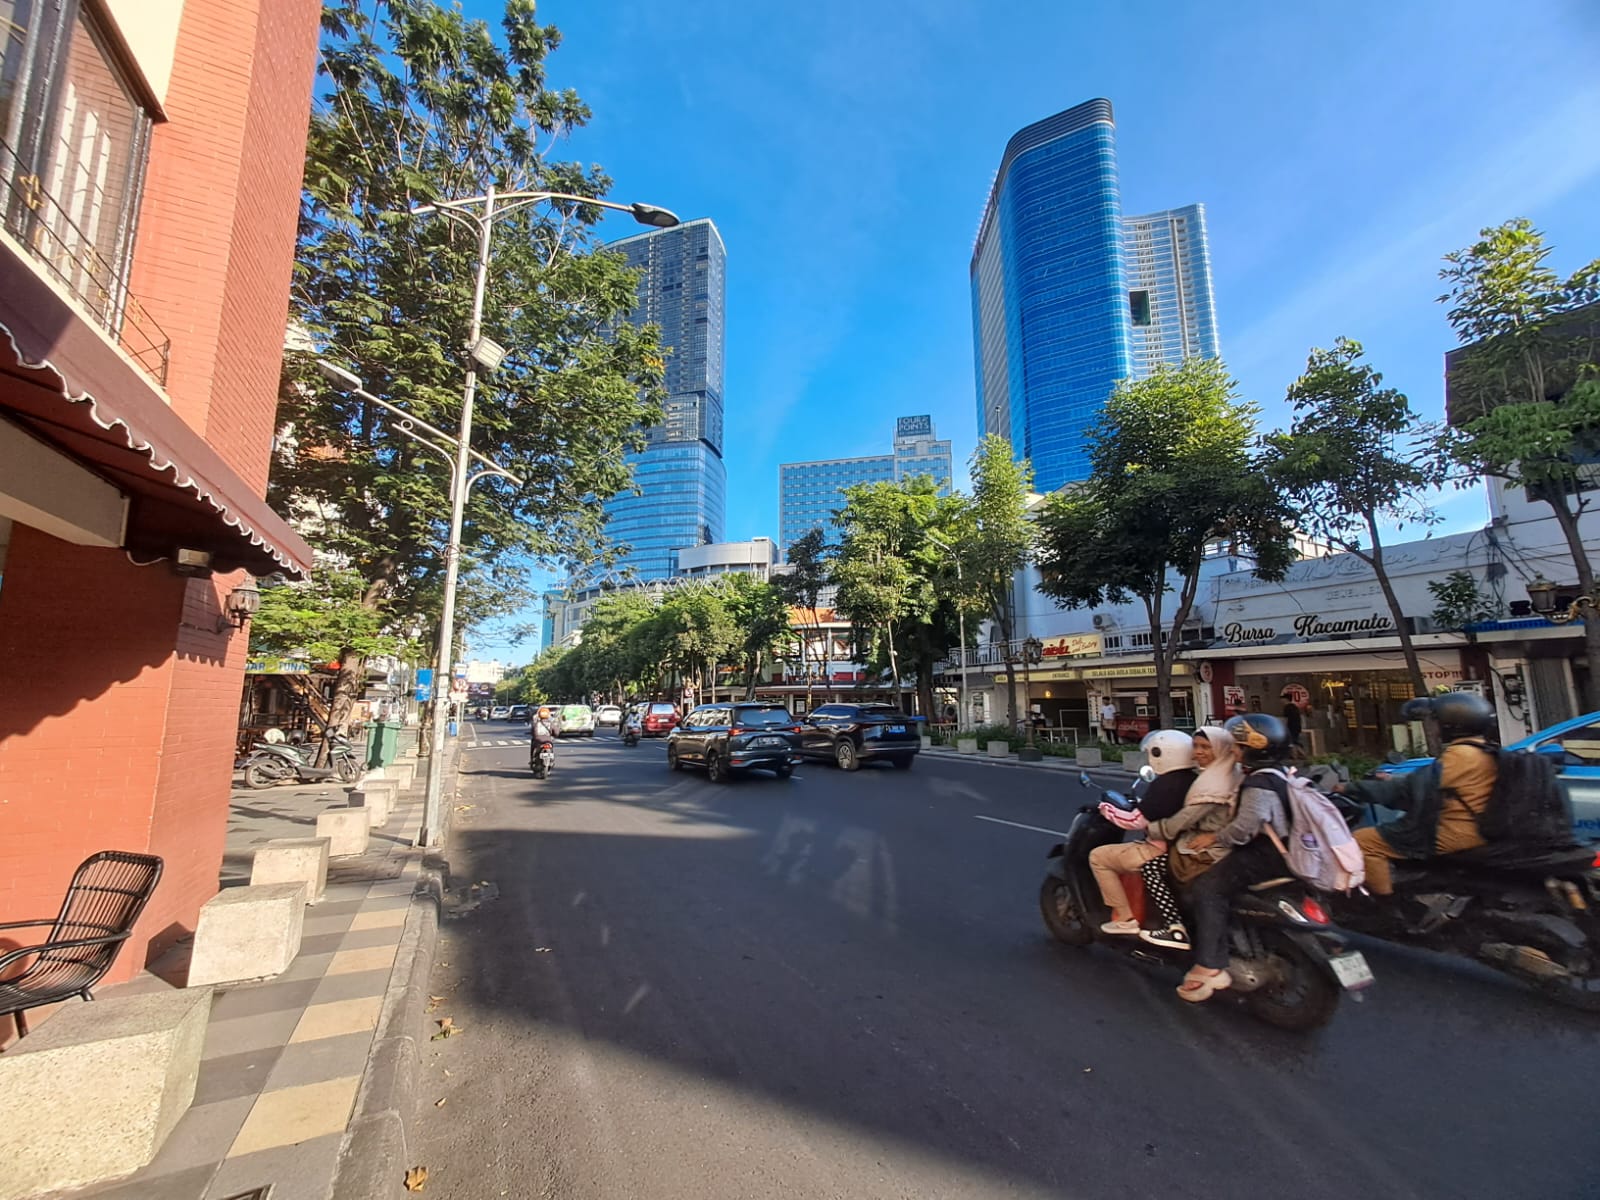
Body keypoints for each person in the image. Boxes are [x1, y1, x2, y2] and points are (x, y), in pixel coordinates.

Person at [1174, 713, 1295, 1003]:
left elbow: (1243, 829)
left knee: (1207, 889)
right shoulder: (1281, 774)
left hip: (1264, 856)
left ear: (1256, 749)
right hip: (1284, 851)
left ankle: (1209, 965)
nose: (1235, 752)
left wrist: (1214, 838)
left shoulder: (1259, 784)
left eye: (1240, 747)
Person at [1335, 692, 1498, 895]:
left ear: (1451, 725)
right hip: (1482, 829)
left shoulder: (1459, 756)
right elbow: (1433, 783)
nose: (1434, 728)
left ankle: (1384, 906)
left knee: (1363, 841)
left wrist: (1349, 788)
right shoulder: (1485, 751)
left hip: (1457, 834)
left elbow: (1405, 792)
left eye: (1437, 722)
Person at [1136, 725, 1243, 950]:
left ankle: (1175, 928)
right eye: (1195, 746)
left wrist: (1153, 829)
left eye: (1206, 747)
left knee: (1151, 868)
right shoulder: (1223, 773)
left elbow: (1183, 820)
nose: (1198, 752)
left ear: (1222, 749)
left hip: (1206, 848)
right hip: (1218, 842)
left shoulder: (1214, 784)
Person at [1089, 730, 1194, 934]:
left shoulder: (1165, 784)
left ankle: (1125, 919)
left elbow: (1135, 821)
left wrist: (1106, 810)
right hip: (1180, 846)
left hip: (1158, 848)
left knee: (1098, 857)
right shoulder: (1191, 779)